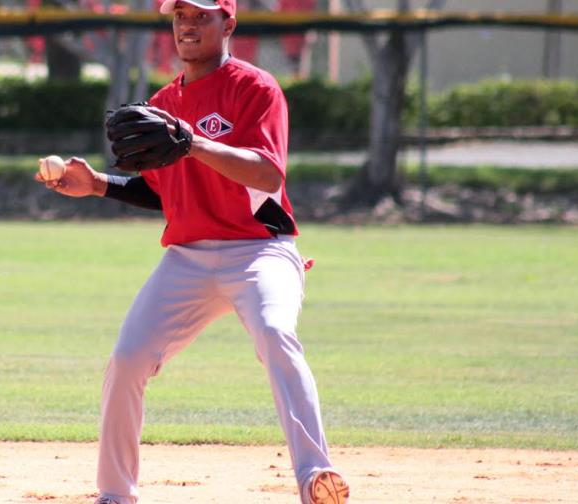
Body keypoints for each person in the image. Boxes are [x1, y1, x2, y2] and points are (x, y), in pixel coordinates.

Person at [36, 1, 350, 503]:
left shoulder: (256, 88)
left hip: (260, 251)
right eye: (180, 15)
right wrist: (97, 184)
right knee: (128, 358)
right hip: (186, 257)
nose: (187, 24)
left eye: (201, 15)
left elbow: (268, 175)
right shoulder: (163, 102)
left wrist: (193, 143)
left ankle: (316, 476)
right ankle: (114, 494)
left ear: (229, 23)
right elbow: (162, 191)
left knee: (274, 333)